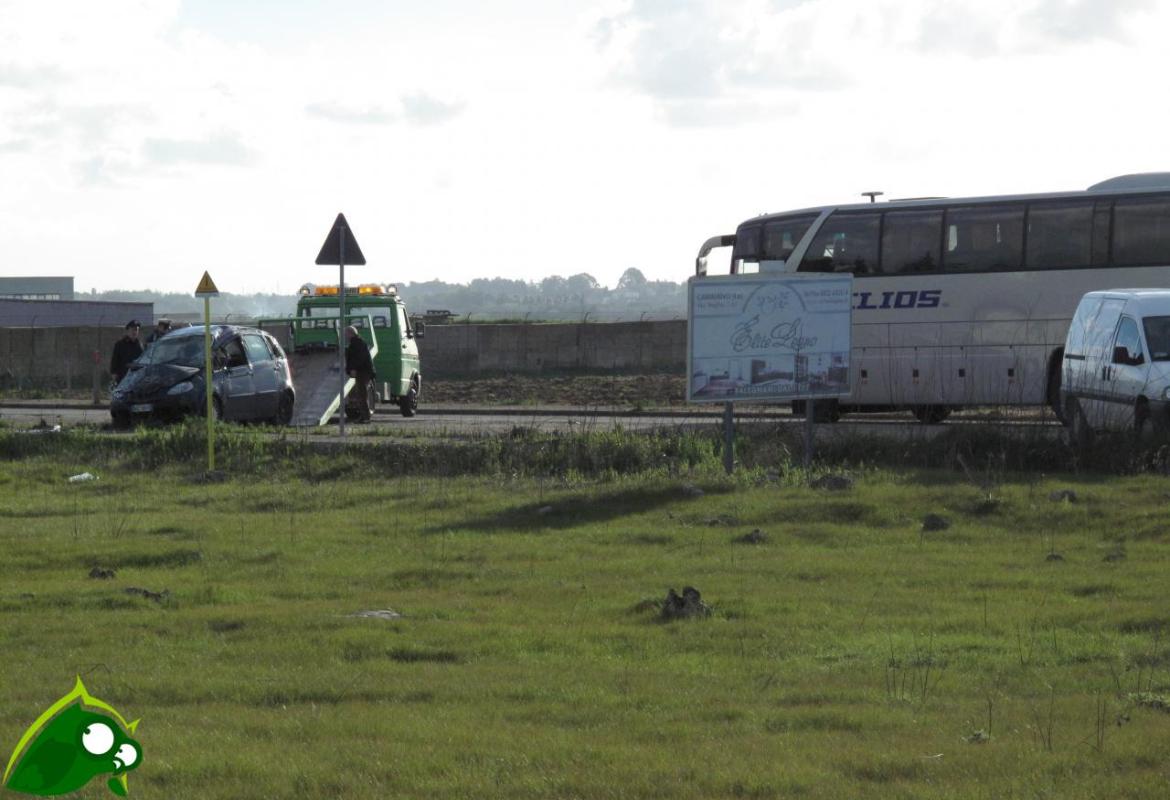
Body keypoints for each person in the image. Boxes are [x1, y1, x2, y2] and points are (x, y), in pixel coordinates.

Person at [345, 325, 375, 422]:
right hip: (363, 371)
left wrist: (353, 368)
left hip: (363, 372)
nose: (345, 336)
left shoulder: (358, 344)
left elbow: (358, 359)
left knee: (362, 395)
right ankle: (363, 416)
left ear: (351, 333)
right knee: (360, 395)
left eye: (346, 333)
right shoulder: (357, 343)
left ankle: (366, 417)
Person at [109, 320, 143, 386]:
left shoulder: (140, 345)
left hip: (135, 378)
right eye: (132, 329)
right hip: (123, 377)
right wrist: (114, 374)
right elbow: (114, 360)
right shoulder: (120, 344)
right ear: (128, 330)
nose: (134, 332)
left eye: (136, 330)